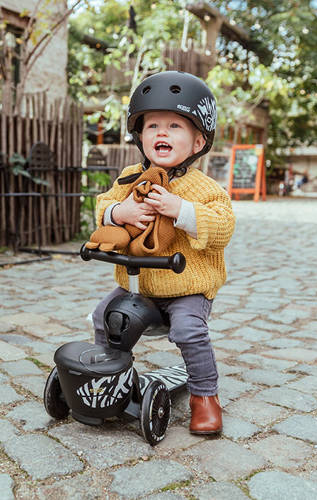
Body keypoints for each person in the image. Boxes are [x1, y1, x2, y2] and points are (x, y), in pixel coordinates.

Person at [92, 71, 235, 435]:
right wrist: (117, 213)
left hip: (186, 288)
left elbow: (222, 227)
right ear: (139, 136)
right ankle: (111, 377)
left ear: (199, 140)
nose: (161, 133)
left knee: (189, 331)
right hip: (138, 286)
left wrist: (180, 210)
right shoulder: (130, 176)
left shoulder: (205, 188)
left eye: (174, 126)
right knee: (102, 316)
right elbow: (103, 204)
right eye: (152, 125)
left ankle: (205, 396)